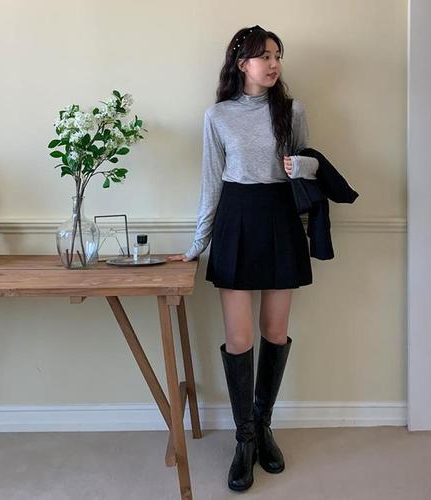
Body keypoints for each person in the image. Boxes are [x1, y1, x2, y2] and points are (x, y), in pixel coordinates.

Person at [167, 24, 319, 492]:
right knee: (239, 338)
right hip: (236, 221)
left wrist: (301, 165)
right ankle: (245, 439)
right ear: (241, 63)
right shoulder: (218, 116)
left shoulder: (292, 111)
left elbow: (311, 165)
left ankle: (264, 426)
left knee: (274, 331)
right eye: (263, 56)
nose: (273, 64)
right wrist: (197, 245)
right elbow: (211, 183)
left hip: (280, 221)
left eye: (277, 55)